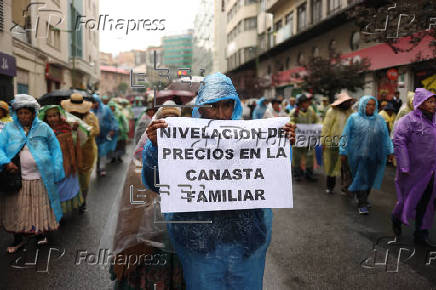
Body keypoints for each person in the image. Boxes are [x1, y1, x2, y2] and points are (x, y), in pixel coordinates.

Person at [142, 72, 295, 290]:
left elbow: (270, 178)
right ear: (200, 107)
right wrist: (156, 148)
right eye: (213, 106)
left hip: (246, 243)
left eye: (226, 105)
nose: (221, 115)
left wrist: (283, 143)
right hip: (199, 245)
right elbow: (155, 183)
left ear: (235, 106)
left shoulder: (251, 137)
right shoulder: (182, 139)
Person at [0, 94, 64, 252]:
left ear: (33, 113)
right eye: (20, 113)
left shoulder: (44, 128)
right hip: (17, 178)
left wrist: (56, 170)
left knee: (39, 206)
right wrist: (6, 162)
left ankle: (39, 233)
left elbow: (55, 149)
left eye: (26, 113)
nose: (23, 116)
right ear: (16, 113)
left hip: (40, 177)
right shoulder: (9, 129)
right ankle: (18, 239)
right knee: (17, 208)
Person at [391, 88, 436, 246]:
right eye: (430, 102)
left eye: (434, 101)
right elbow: (399, 140)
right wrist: (404, 163)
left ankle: (421, 233)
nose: (433, 105)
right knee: (406, 200)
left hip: (431, 171)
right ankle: (396, 218)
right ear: (421, 103)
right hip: (412, 170)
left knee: (427, 201)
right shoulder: (409, 120)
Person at [340, 96, 394, 215]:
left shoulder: (379, 120)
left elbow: (385, 136)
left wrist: (390, 150)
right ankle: (362, 203)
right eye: (368, 104)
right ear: (363, 105)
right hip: (357, 155)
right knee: (361, 177)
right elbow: (345, 135)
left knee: (369, 179)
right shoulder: (353, 119)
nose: (371, 107)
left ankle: (364, 197)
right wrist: (343, 151)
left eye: (373, 104)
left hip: (374, 154)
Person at [39, 105, 84, 215]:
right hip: (52, 165)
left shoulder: (67, 127)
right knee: (56, 188)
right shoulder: (42, 130)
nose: (52, 119)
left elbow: (75, 143)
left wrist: (73, 132)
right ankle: (58, 212)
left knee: (69, 186)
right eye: (49, 116)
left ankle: (78, 205)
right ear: (46, 118)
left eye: (54, 115)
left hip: (68, 163)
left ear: (59, 116)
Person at [61, 93, 100, 213]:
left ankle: (83, 201)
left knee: (84, 179)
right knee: (71, 177)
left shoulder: (90, 116)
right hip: (69, 152)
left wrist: (82, 128)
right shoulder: (64, 116)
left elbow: (96, 131)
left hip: (86, 152)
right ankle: (72, 202)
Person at [321, 93, 354, 194]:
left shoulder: (350, 112)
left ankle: (346, 187)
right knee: (332, 165)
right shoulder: (332, 112)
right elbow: (326, 127)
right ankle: (330, 186)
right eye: (347, 102)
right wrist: (324, 141)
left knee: (346, 166)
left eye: (349, 102)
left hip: (347, 143)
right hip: (333, 142)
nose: (348, 104)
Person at [290, 93, 320, 182]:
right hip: (298, 139)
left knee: (310, 156)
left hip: (309, 138)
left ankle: (309, 174)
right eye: (306, 102)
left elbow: (317, 120)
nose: (308, 104)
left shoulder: (311, 111)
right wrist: (293, 125)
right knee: (297, 157)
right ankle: (297, 174)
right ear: (301, 103)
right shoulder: (294, 112)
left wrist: (318, 127)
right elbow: (291, 122)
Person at [91, 95, 118, 176]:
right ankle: (97, 167)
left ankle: (102, 168)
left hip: (105, 135)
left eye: (95, 102)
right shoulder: (90, 110)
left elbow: (112, 119)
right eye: (92, 102)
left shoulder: (106, 109)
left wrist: (113, 129)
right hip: (94, 135)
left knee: (103, 151)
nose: (94, 104)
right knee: (96, 152)